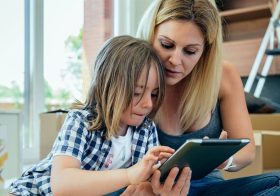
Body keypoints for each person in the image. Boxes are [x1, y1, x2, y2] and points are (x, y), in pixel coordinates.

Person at [120, 0, 280, 195]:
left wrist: (226, 159)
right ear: (150, 35)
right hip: (146, 189)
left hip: (207, 188)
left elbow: (247, 152)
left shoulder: (223, 75)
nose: (175, 61)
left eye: (190, 51)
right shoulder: (128, 73)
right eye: (166, 45)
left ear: (205, 52)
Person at [8, 35, 176, 196]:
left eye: (154, 94)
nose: (148, 103)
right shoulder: (80, 121)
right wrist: (129, 175)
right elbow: (61, 184)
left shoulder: (146, 129)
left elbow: (145, 181)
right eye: (137, 92)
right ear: (107, 86)